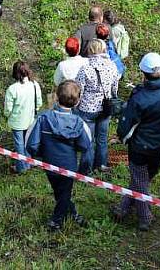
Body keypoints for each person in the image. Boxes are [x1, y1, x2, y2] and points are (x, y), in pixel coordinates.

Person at [112, 52, 160, 231]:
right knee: (141, 179)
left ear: (144, 74)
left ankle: (145, 217)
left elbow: (127, 124)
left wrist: (121, 136)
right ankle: (123, 208)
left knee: (140, 181)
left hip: (140, 147)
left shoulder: (140, 97)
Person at [26, 80, 92, 231]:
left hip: (49, 163)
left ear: (56, 96)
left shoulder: (43, 119)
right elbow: (86, 146)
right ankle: (56, 221)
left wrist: (39, 155)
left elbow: (31, 144)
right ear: (77, 102)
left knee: (61, 192)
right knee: (63, 193)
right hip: (69, 166)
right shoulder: (79, 123)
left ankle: (71, 214)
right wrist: (84, 169)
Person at [75, 39, 120, 174]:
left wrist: (76, 106)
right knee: (102, 138)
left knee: (88, 140)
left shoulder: (85, 68)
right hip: (105, 107)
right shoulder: (112, 66)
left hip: (87, 108)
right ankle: (101, 165)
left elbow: (79, 89)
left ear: (90, 50)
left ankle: (85, 169)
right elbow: (114, 88)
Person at [4, 61, 43, 174]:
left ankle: (21, 167)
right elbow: (39, 102)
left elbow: (8, 109)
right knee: (28, 142)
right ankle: (29, 162)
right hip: (31, 119)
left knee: (19, 144)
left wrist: (7, 115)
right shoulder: (35, 84)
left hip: (17, 121)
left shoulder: (12, 89)